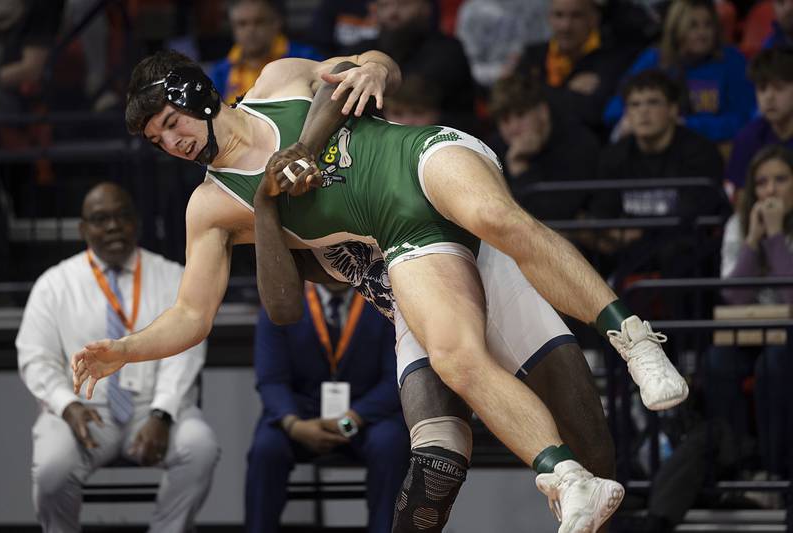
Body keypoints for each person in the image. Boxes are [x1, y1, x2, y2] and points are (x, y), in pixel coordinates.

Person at [73, 50, 687, 531]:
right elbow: (200, 311)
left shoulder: (278, 82)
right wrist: (127, 349)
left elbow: (372, 65)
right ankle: (563, 478)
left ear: (199, 97)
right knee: (439, 446)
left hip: (428, 183)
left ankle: (634, 341)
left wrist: (374, 67)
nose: (173, 144)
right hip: (408, 259)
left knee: (507, 233)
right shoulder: (212, 206)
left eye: (172, 125)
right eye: (158, 141)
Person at [16, 182, 219, 533]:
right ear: (83, 229)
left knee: (199, 447)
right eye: (100, 219)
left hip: (151, 409)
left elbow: (186, 349)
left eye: (122, 216)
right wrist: (67, 405)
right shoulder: (55, 284)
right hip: (84, 411)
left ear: (136, 222)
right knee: (51, 467)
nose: (112, 226)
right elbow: (35, 358)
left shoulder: (172, 277)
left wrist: (162, 414)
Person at [247, 282, 409, 533]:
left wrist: (351, 420)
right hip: (301, 416)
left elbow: (395, 380)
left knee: (390, 444)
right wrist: (295, 425)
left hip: (366, 415)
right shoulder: (282, 302)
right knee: (266, 448)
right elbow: (271, 380)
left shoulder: (384, 302)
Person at [705, 145, 793, 483]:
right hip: (751, 328)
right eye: (762, 183)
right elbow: (733, 297)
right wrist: (754, 240)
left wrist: (775, 236)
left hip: (787, 335)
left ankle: (775, 472)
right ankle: (739, 469)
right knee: (717, 361)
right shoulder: (737, 225)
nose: (770, 191)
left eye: (781, 180)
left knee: (774, 364)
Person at [590, 70, 727, 280]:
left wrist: (640, 233)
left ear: (672, 110)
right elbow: (603, 212)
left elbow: (695, 214)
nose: (643, 112)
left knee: (680, 252)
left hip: (683, 249)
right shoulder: (614, 156)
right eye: (635, 105)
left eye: (653, 102)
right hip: (629, 247)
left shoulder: (700, 152)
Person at [604, 0, 755, 143]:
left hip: (714, 146)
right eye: (693, 26)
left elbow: (744, 119)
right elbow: (614, 109)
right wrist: (630, 120)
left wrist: (685, 125)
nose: (702, 33)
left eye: (708, 25)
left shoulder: (732, 60)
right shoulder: (654, 59)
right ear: (676, 28)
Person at [343, 0, 476, 131]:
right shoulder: (359, 51)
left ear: (425, 7)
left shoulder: (448, 50)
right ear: (374, 10)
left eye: (404, 4)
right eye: (384, 5)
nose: (392, 12)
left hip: (443, 140)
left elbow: (413, 92)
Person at [488, 72, 600, 221]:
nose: (513, 128)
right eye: (505, 120)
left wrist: (520, 168)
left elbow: (557, 215)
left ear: (542, 111)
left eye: (521, 115)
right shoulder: (492, 149)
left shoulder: (579, 144)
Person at [516, 0, 638, 136]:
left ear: (594, 18)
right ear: (549, 18)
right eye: (558, 15)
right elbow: (514, 101)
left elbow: (594, 112)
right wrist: (568, 91)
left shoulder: (612, 58)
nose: (565, 26)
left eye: (576, 16)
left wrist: (537, 91)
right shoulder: (533, 55)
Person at [210, 0, 322, 105]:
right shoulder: (220, 72)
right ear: (233, 27)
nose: (250, 30)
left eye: (259, 22)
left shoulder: (306, 58)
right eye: (242, 24)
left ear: (276, 23)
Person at [727, 48, 793, 191]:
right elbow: (739, 195)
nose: (769, 97)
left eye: (779, 88)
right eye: (762, 89)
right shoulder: (747, 138)